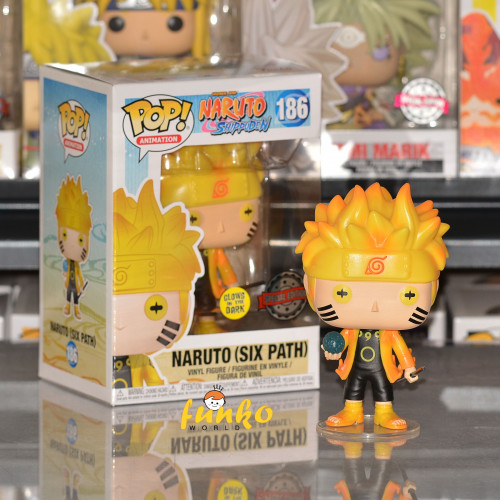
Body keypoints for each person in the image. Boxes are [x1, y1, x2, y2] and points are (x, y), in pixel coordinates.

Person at [296, 183, 449, 429]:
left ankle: (384, 413)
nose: (375, 306)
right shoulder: (350, 330)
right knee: (353, 386)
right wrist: (333, 350)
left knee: (382, 388)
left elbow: (400, 347)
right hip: (355, 366)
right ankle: (351, 411)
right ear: (309, 286)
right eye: (343, 293)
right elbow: (340, 341)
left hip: (383, 368)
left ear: (434, 289)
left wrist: (409, 367)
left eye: (408, 295)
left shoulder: (390, 334)